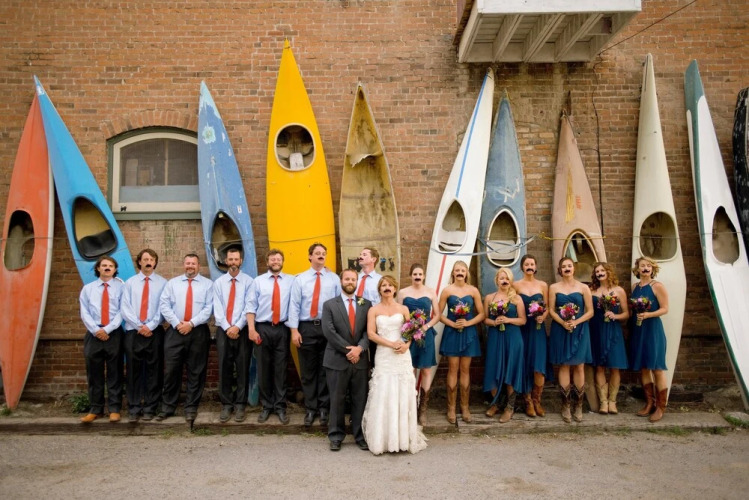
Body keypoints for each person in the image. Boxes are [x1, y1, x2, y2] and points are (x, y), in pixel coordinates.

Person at [362, 276, 428, 455]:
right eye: (383, 285)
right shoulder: (373, 310)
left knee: (402, 391)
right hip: (384, 355)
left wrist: (406, 345)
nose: (387, 288)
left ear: (395, 288)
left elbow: (411, 331)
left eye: (390, 285)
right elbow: (371, 334)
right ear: (379, 290)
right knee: (384, 391)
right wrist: (391, 344)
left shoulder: (403, 309)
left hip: (402, 355)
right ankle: (382, 439)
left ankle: (403, 438)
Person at [288, 243, 341, 427]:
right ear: (310, 256)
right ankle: (311, 408)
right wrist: (294, 330)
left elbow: (339, 304)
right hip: (306, 328)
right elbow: (294, 305)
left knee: (326, 369)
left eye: (323, 253)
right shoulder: (300, 279)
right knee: (308, 370)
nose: (321, 255)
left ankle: (324, 408)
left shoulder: (334, 279)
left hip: (327, 327)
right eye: (317, 253)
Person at [157, 253, 213, 424]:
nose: (190, 266)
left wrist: (191, 323)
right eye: (187, 263)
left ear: (199, 266)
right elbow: (164, 305)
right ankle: (168, 407)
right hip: (175, 330)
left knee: (196, 371)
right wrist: (177, 323)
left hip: (198, 331)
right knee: (171, 370)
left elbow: (209, 308)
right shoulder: (172, 284)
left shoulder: (208, 285)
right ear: (184, 265)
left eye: (193, 263)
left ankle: (191, 408)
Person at [321, 268, 372, 451]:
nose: (350, 282)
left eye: (353, 279)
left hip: (360, 359)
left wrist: (359, 348)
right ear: (341, 281)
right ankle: (335, 436)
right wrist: (348, 351)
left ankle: (359, 435)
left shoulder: (366, 304)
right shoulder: (329, 305)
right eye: (347, 279)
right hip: (336, 359)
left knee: (360, 399)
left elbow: (368, 331)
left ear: (357, 282)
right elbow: (328, 331)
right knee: (337, 399)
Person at [245, 249, 293, 425]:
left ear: (283, 261)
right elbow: (250, 306)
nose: (275, 261)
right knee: (263, 368)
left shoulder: (292, 281)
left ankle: (280, 406)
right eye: (272, 259)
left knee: (281, 369)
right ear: (267, 262)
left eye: (278, 259)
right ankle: (266, 406)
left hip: (282, 329)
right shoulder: (258, 282)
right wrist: (251, 329)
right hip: (262, 328)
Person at [120, 249, 167, 422]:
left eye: (152, 259)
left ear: (155, 262)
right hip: (134, 332)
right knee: (133, 370)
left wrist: (150, 326)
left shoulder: (163, 283)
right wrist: (139, 326)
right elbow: (125, 308)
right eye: (145, 259)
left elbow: (164, 307)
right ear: (139, 262)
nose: (148, 262)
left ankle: (150, 407)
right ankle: (134, 407)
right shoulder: (130, 283)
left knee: (154, 370)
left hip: (155, 331)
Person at [79, 256, 125, 423]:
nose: (107, 268)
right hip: (93, 333)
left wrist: (107, 329)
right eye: (104, 265)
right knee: (94, 373)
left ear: (115, 269)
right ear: (98, 268)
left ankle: (114, 409)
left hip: (114, 333)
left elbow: (123, 310)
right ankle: (95, 409)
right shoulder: (88, 289)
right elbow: (84, 312)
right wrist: (96, 330)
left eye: (110, 266)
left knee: (115, 372)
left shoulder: (121, 288)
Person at [438, 261, 485, 424]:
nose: (459, 273)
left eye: (462, 270)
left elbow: (482, 314)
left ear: (466, 273)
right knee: (453, 368)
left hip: (468, 332)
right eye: (457, 270)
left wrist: (468, 323)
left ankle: (465, 407)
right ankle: (451, 408)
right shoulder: (447, 290)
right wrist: (452, 324)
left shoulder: (473, 290)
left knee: (465, 370)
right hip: (452, 332)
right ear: (453, 273)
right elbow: (438, 314)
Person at [548, 257, 594, 423]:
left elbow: (590, 311)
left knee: (579, 365)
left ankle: (578, 405)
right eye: (564, 266)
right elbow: (551, 310)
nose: (567, 268)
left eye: (569, 266)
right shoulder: (554, 287)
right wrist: (563, 323)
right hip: (561, 329)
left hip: (580, 329)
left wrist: (576, 322)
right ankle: (566, 405)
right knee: (564, 365)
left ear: (574, 268)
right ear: (560, 270)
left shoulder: (583, 288)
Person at [396, 263, 441, 425]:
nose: (417, 276)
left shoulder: (430, 292)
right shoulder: (402, 293)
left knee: (426, 369)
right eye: (415, 274)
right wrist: (406, 329)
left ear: (424, 276)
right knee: (410, 370)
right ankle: (410, 407)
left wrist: (425, 327)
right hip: (408, 335)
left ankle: (423, 409)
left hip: (425, 334)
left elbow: (437, 315)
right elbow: (398, 314)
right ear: (411, 275)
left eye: (420, 274)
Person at [213, 248, 254, 423]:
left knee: (243, 367)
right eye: (230, 259)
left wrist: (237, 326)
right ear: (226, 261)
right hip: (223, 330)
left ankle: (240, 404)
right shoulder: (219, 283)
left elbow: (249, 306)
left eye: (236, 259)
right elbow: (217, 308)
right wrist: (227, 327)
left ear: (241, 261)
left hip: (242, 330)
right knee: (225, 367)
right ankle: (227, 404)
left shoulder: (249, 282)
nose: (233, 262)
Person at [482, 268, 527, 423]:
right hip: (495, 336)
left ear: (511, 280)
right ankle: (496, 403)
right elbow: (485, 319)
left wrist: (508, 320)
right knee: (494, 367)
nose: (504, 281)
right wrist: (494, 322)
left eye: (507, 278)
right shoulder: (489, 298)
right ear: (497, 280)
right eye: (501, 278)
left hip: (513, 337)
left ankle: (510, 407)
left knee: (510, 369)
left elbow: (523, 320)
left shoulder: (517, 298)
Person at [630, 257, 670, 422]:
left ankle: (661, 407)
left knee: (657, 368)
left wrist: (649, 314)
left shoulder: (657, 286)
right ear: (637, 269)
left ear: (652, 269)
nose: (645, 268)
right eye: (642, 266)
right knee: (644, 368)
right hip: (638, 330)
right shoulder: (634, 287)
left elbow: (665, 309)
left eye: (648, 266)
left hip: (653, 330)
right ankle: (649, 403)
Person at [589, 262, 629, 415]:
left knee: (614, 366)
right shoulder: (591, 290)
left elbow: (626, 313)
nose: (599, 273)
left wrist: (615, 315)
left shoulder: (619, 290)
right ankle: (603, 402)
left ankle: (612, 401)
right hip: (597, 331)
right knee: (599, 367)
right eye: (597, 271)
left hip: (613, 331)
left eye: (602, 270)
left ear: (608, 272)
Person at [513, 254, 550, 417]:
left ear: (535, 267)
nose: (529, 267)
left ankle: (537, 400)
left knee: (538, 366)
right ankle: (527, 401)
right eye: (526, 264)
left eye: (532, 264)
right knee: (524, 365)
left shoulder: (543, 285)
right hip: (522, 329)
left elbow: (547, 306)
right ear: (522, 267)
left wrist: (544, 316)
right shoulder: (515, 285)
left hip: (537, 329)